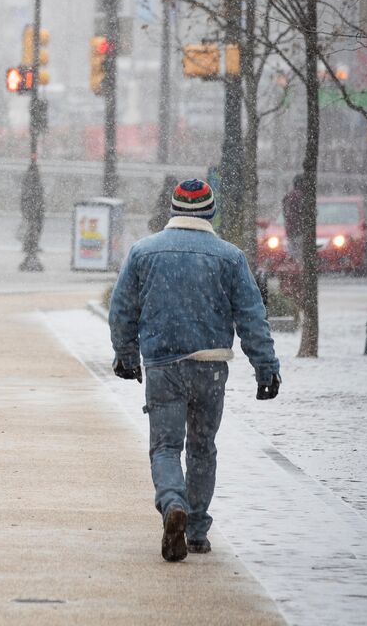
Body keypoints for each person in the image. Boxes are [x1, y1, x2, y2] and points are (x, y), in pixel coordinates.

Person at [108, 178, 280, 562]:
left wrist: (126, 354)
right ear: (211, 212)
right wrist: (265, 368)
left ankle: (172, 505)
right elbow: (252, 317)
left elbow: (122, 310)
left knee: (166, 447)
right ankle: (198, 530)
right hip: (211, 367)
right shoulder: (230, 257)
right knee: (202, 448)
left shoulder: (143, 252)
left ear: (172, 210)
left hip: (163, 366)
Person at [282, 173, 308, 264]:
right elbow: (306, 213)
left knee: (292, 253)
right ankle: (299, 271)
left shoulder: (288, 196)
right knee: (301, 255)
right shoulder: (302, 196)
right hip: (301, 229)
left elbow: (285, 213)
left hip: (290, 230)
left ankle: (292, 268)